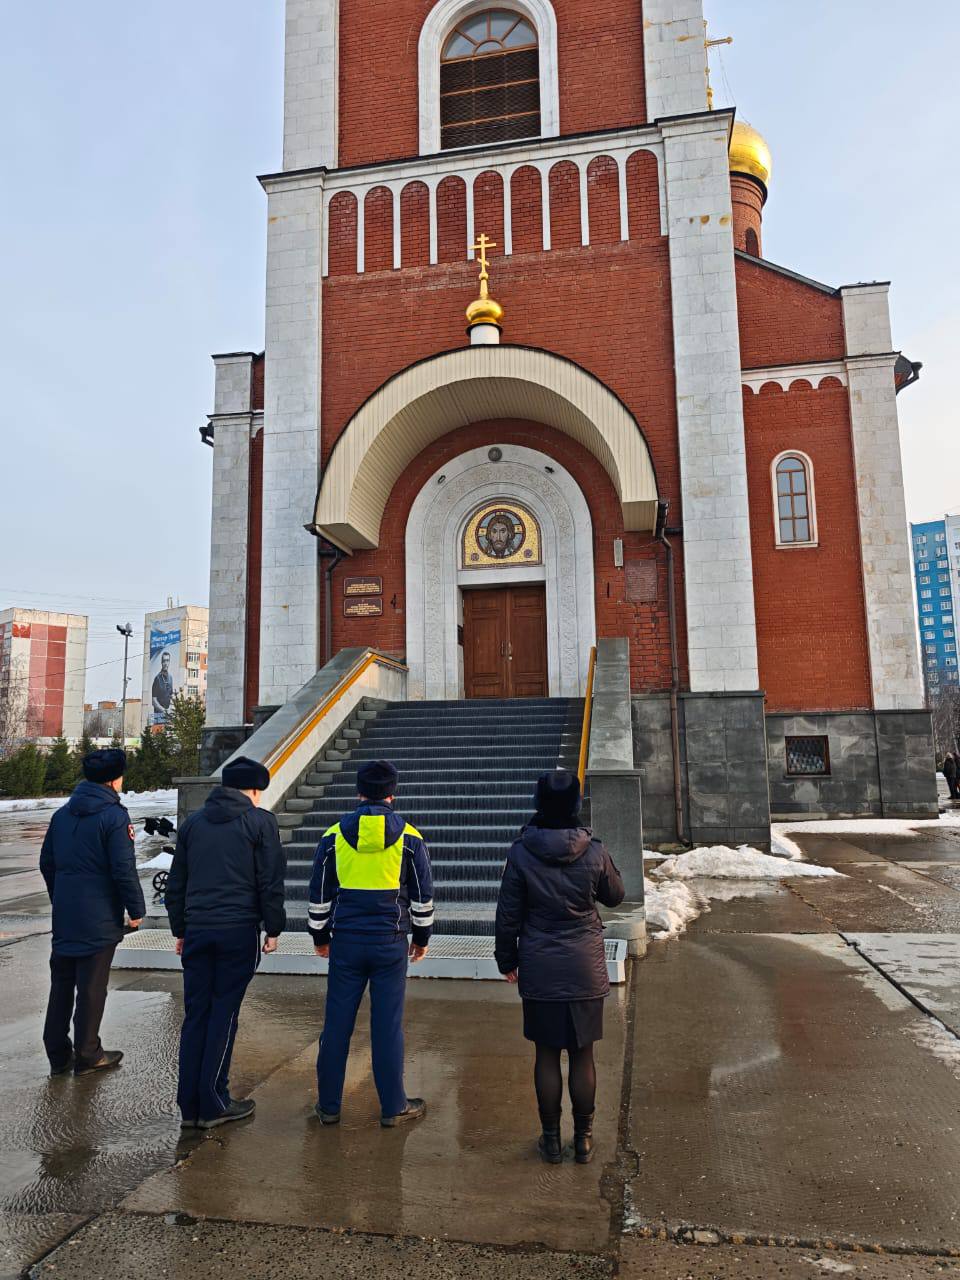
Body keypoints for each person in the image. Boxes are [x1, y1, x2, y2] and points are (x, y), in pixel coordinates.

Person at [495, 769, 625, 1165]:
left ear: (538, 804)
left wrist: (507, 959)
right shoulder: (594, 850)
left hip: (540, 964)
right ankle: (583, 1140)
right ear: (575, 806)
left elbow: (507, 914)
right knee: (583, 1055)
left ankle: (551, 1140)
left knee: (547, 1054)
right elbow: (616, 896)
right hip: (584, 965)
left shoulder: (521, 852)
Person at [308, 759, 433, 1128]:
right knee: (387, 1026)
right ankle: (393, 1106)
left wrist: (320, 936)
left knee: (336, 1026)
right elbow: (423, 895)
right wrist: (422, 937)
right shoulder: (411, 837)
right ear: (392, 794)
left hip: (345, 943)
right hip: (390, 943)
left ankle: (329, 1107)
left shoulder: (332, 836)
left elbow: (319, 893)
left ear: (359, 792)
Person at [165, 756, 286, 1130]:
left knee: (197, 1014)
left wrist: (180, 930)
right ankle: (215, 1101)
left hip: (198, 930)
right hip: (238, 931)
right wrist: (274, 928)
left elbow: (176, 884)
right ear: (252, 791)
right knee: (224, 1014)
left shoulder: (193, 824)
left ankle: (190, 1105)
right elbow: (270, 881)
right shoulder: (260, 822)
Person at [39, 748, 145, 1077]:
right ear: (115, 778)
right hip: (99, 916)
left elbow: (47, 864)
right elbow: (123, 869)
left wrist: (62, 898)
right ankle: (88, 1054)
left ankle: (57, 1052)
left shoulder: (62, 815)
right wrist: (136, 909)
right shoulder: (114, 816)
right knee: (91, 987)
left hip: (67, 915)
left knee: (62, 983)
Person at [151, 650, 174, 724]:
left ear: (169, 662)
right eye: (164, 661)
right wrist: (164, 711)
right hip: (159, 716)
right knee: (159, 734)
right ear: (161, 662)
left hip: (168, 716)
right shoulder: (157, 678)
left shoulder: (170, 678)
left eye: (167, 661)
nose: (166, 663)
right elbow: (154, 701)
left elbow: (171, 695)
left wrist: (171, 709)